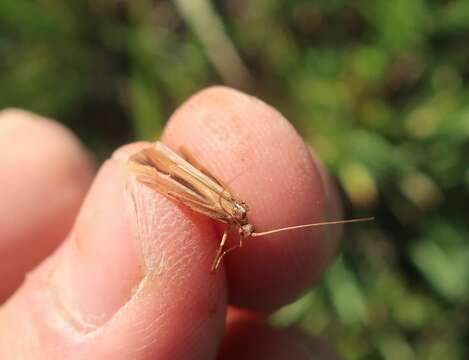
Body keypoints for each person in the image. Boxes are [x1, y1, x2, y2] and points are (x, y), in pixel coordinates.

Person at [0, 87, 342, 359]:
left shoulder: (236, 217)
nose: (248, 233)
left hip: (197, 187)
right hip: (188, 188)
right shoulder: (232, 219)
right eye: (247, 230)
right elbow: (224, 231)